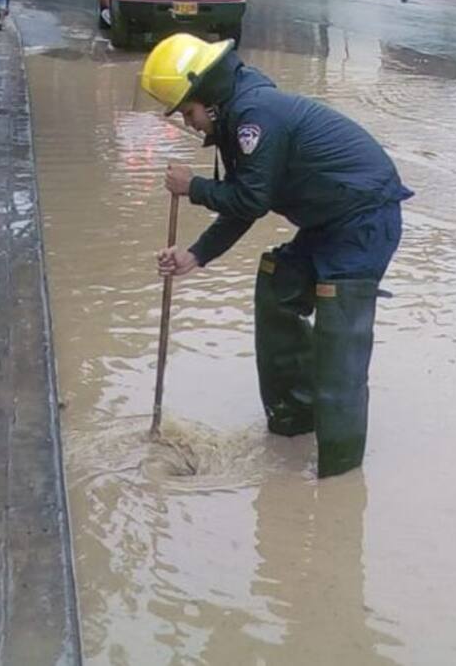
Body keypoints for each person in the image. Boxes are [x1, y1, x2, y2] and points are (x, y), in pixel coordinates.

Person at [140, 34, 412, 478]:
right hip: (327, 222)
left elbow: (249, 199)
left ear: (206, 98)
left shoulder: (254, 117)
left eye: (187, 113)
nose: (189, 125)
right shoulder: (235, 115)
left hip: (363, 221)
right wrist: (195, 256)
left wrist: (194, 188)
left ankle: (339, 477)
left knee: (338, 343)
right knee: (276, 283)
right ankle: (293, 426)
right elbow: (248, 200)